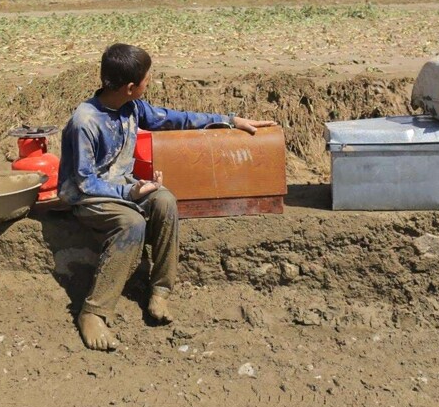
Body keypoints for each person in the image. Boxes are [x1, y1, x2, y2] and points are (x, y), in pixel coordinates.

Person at [58, 43, 276, 351]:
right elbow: (83, 182)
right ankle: (93, 312)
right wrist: (128, 191)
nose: (150, 82)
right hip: (88, 195)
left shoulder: (131, 107)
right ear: (132, 86)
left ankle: (159, 290)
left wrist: (231, 120)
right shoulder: (85, 122)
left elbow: (175, 118)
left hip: (122, 186)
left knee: (165, 200)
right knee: (132, 221)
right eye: (147, 78)